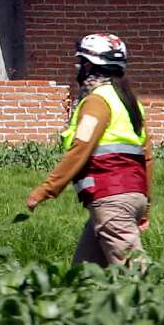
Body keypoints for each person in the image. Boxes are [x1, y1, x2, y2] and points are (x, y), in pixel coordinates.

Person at [25, 32, 149, 267]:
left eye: (80, 62)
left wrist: (46, 190)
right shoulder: (130, 102)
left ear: (89, 65)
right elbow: (147, 158)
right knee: (84, 275)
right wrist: (146, 205)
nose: (78, 68)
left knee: (137, 277)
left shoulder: (97, 102)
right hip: (132, 197)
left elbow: (80, 149)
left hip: (111, 199)